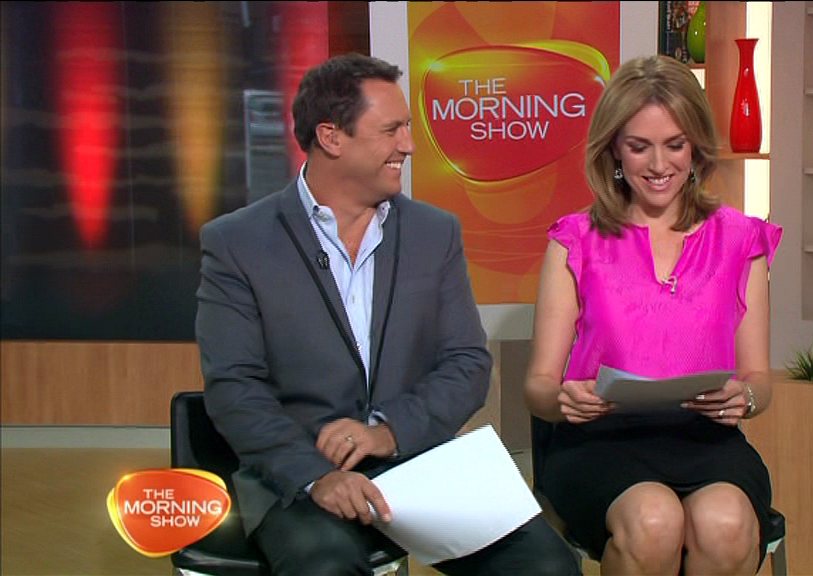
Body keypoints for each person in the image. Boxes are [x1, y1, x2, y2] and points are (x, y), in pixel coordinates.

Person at [196, 53, 580, 576]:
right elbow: (235, 387)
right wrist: (315, 475)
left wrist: (386, 432)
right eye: (391, 130)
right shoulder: (238, 243)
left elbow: (467, 363)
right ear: (331, 137)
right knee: (326, 567)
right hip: (301, 474)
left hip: (416, 458)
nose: (409, 144)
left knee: (546, 565)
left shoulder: (433, 233)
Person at [524, 54, 783, 576]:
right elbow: (538, 388)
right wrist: (564, 399)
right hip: (600, 442)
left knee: (725, 523)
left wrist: (746, 397)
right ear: (614, 150)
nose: (659, 165)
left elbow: (759, 379)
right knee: (654, 520)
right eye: (640, 146)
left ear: (696, 147)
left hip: (704, 439)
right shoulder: (576, 239)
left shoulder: (741, 239)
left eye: (675, 145)